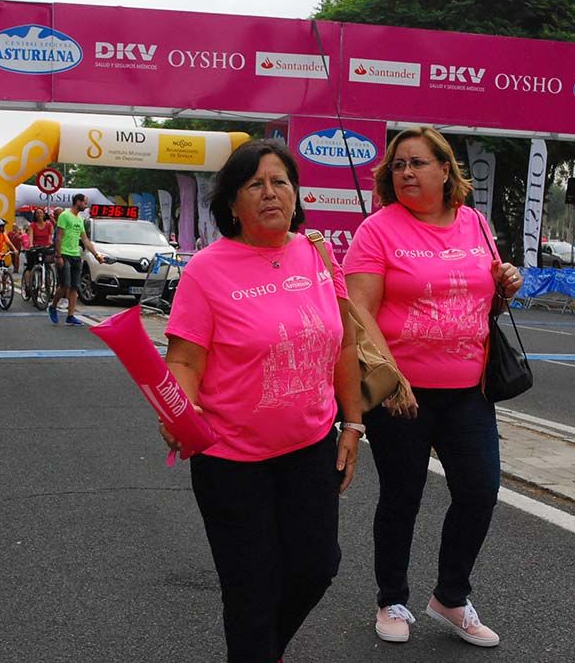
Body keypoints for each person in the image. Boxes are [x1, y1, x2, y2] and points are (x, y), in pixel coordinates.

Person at [160, 139, 362, 662]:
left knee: (316, 567)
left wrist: (354, 426)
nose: (270, 193)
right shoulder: (206, 269)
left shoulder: (318, 252)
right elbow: (183, 362)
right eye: (255, 184)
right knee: (251, 590)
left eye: (280, 182)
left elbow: (343, 342)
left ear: (296, 194)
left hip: (309, 448)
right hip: (231, 461)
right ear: (232, 203)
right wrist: (179, 410)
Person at [344, 127, 523, 648]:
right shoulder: (377, 230)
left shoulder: (475, 223)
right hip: (403, 392)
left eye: (417, 163)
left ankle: (450, 596)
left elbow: (484, 300)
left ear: (446, 170)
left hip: (470, 388)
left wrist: (506, 284)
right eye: (398, 165)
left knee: (480, 490)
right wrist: (392, 377)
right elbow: (359, 311)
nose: (406, 173)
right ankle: (392, 597)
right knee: (403, 496)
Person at [48, 194, 103, 326]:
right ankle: (53, 306)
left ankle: (70, 316)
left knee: (74, 287)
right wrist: (58, 255)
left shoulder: (79, 219)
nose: (86, 205)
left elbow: (85, 239)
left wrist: (96, 255)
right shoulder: (64, 216)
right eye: (85, 203)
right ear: (78, 202)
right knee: (64, 285)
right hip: (64, 255)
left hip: (75, 255)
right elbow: (59, 237)